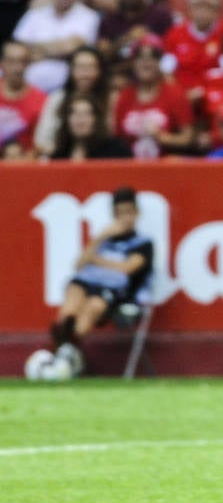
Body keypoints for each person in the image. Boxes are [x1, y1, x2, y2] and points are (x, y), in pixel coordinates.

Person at [44, 184, 151, 376]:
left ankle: (65, 356)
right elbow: (79, 264)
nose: (124, 218)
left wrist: (97, 260)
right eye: (119, 213)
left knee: (94, 306)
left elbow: (128, 268)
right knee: (70, 307)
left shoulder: (142, 244)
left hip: (113, 291)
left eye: (128, 212)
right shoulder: (104, 240)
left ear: (136, 213)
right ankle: (65, 354)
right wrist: (100, 237)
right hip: (86, 280)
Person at [13, 0, 100, 94]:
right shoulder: (35, 13)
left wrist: (35, 52)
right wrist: (57, 50)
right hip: (26, 88)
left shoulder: (89, 16)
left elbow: (72, 47)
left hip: (66, 91)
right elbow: (17, 48)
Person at [112, 34, 195, 158]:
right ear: (133, 63)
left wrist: (162, 137)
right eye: (140, 57)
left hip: (165, 167)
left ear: (159, 62)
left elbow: (188, 138)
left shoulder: (174, 94)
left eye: (152, 57)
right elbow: (117, 137)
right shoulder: (125, 95)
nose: (146, 63)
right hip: (129, 167)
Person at [33, 45, 109, 158]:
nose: (85, 74)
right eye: (80, 67)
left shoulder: (110, 98)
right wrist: (65, 155)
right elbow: (41, 142)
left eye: (91, 67)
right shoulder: (58, 98)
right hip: (62, 161)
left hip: (102, 159)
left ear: (100, 71)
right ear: (71, 70)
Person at [95, 0, 173, 71]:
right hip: (117, 80)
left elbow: (169, 59)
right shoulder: (108, 20)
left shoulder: (161, 16)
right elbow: (102, 58)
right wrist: (126, 39)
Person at [161, 0, 223, 106]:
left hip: (216, 92)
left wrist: (205, 91)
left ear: (217, 10)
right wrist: (179, 95)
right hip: (182, 96)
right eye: (198, 6)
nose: (203, 11)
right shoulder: (175, 34)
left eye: (208, 7)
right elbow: (166, 72)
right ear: (190, 9)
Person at [51, 94, 130, 160]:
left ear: (96, 119)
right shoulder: (59, 155)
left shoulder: (116, 150)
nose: (80, 121)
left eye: (87, 114)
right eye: (75, 114)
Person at [0, 39, 46, 151]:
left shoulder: (41, 100)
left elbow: (40, 147)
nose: (18, 68)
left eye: (23, 61)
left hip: (24, 165)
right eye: (12, 61)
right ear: (2, 63)